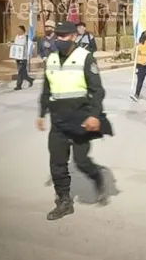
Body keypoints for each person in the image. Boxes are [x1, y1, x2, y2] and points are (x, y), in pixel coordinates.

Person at [36, 21, 113, 221]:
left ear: (73, 37)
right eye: (58, 36)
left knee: (81, 161)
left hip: (81, 120)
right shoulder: (51, 59)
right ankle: (64, 201)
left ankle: (96, 176)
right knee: (57, 163)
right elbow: (46, 89)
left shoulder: (85, 58)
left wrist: (94, 115)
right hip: (58, 122)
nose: (60, 40)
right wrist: (41, 114)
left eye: (65, 36)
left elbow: (97, 90)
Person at [130, 28, 146, 102]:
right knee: (140, 80)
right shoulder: (139, 44)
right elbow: (133, 53)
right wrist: (135, 61)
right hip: (141, 64)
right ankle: (137, 94)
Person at [10, 25, 34, 91]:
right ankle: (30, 79)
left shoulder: (26, 37)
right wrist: (11, 45)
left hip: (23, 57)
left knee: (20, 71)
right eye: (17, 29)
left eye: (19, 29)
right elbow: (15, 45)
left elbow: (31, 45)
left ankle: (18, 85)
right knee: (23, 72)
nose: (18, 31)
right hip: (17, 57)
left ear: (23, 30)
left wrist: (29, 53)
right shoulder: (17, 37)